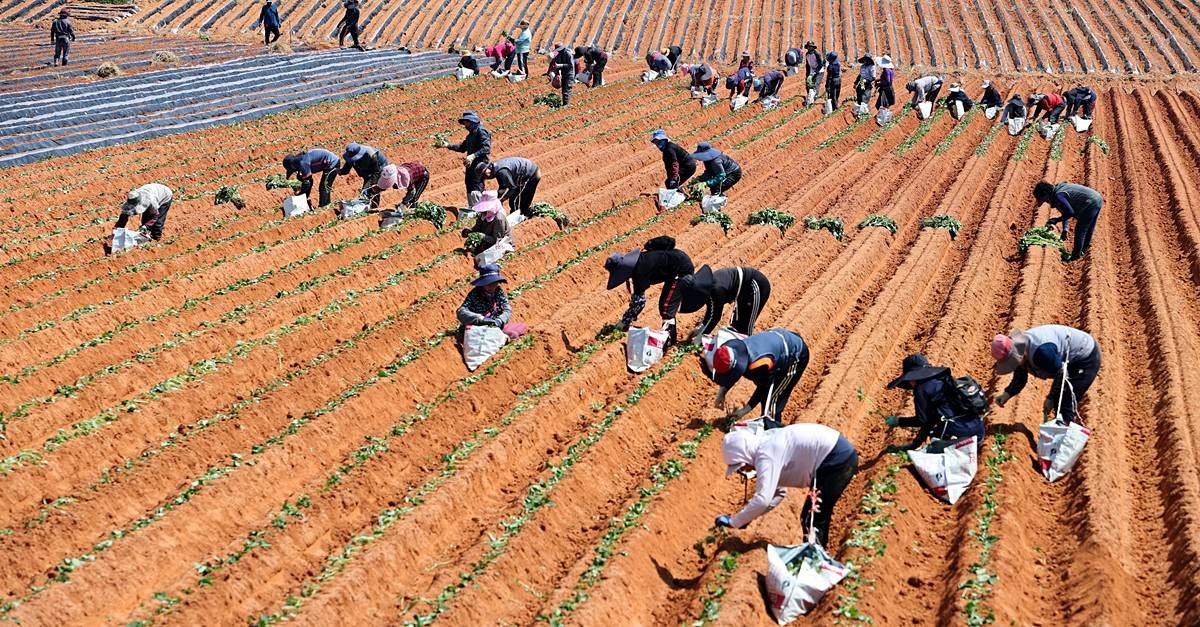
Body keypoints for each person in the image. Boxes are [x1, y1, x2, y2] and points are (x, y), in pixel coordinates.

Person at [715, 423, 858, 548]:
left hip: (836, 458)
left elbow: (763, 499)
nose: (744, 470)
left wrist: (735, 522)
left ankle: (815, 563)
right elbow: (778, 493)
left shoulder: (766, 455)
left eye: (741, 466)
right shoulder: (766, 445)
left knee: (812, 517)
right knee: (812, 515)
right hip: (836, 455)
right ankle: (814, 558)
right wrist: (746, 518)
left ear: (743, 456)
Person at [992, 325, 1101, 425]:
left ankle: (1067, 438)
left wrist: (1051, 398)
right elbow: (1020, 377)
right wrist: (1007, 393)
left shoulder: (1041, 352)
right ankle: (1059, 434)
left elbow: (1062, 372)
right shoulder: (1021, 350)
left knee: (1065, 401)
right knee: (1060, 400)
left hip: (1086, 357)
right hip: (1068, 362)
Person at [884, 354, 985, 451]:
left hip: (961, 437)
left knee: (932, 448)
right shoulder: (943, 380)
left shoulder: (921, 389)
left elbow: (922, 420)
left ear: (912, 377)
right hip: (979, 433)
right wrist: (915, 443)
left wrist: (898, 421)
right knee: (936, 433)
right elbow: (929, 421)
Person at [708, 328, 810, 424]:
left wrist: (744, 410)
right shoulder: (732, 349)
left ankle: (772, 432)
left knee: (771, 405)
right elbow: (730, 373)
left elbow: (764, 387)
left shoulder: (758, 364)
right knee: (766, 399)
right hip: (777, 344)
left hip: (796, 355)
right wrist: (721, 394)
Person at [604, 235, 694, 344]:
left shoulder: (639, 272)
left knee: (666, 307)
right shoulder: (639, 262)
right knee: (665, 305)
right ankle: (670, 337)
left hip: (682, 270)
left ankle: (669, 339)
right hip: (677, 265)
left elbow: (639, 302)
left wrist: (624, 322)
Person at [679, 265, 771, 339]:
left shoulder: (715, 290)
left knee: (745, 330)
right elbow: (711, 312)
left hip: (755, 285)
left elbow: (715, 317)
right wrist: (699, 330)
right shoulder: (707, 288)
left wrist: (698, 340)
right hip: (742, 292)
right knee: (736, 327)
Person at [1033, 181, 1103, 261]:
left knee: (1080, 230)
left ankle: (1075, 256)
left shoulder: (1058, 196)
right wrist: (1065, 230)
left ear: (1046, 193)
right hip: (1097, 198)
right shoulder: (1058, 189)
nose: (1047, 202)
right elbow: (1065, 211)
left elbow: (1070, 212)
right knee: (1089, 227)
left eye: (1045, 200)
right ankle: (1084, 250)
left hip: (1090, 202)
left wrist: (1057, 220)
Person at [446, 111, 491, 208]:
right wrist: (447, 145)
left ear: (472, 121)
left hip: (480, 164)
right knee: (469, 184)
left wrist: (473, 155)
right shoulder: (471, 135)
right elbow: (462, 148)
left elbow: (486, 148)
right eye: (464, 123)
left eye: (467, 122)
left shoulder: (481, 131)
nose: (465, 125)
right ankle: (472, 208)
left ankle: (480, 210)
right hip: (471, 164)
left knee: (476, 185)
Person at [457, 264, 512, 331]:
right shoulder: (475, 293)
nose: (491, 287)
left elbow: (507, 309)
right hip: (478, 326)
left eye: (494, 284)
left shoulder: (499, 291)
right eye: (488, 284)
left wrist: (500, 320)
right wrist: (481, 319)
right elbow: (461, 311)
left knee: (520, 328)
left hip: (496, 324)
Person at [339, 143, 390, 207]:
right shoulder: (350, 156)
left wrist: (366, 188)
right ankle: (370, 206)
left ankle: (373, 207)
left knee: (370, 189)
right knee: (367, 190)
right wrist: (336, 171)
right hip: (367, 170)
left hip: (380, 168)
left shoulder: (371, 155)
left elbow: (376, 173)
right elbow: (345, 170)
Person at [461, 192, 511, 257]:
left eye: (485, 210)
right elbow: (477, 227)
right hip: (487, 239)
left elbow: (497, 240)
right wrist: (470, 231)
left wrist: (482, 236)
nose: (482, 212)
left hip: (500, 245)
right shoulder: (483, 215)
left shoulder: (499, 219)